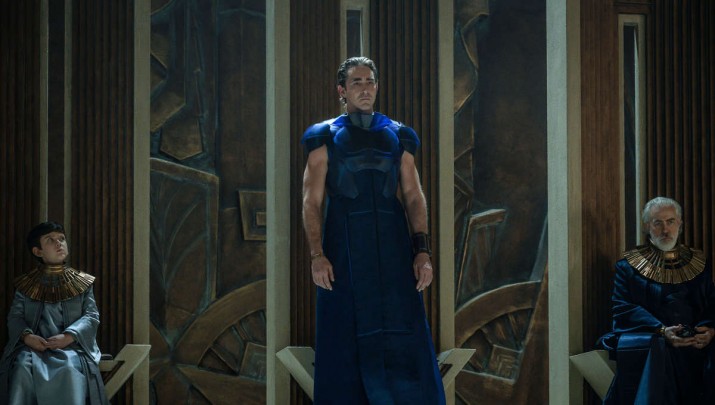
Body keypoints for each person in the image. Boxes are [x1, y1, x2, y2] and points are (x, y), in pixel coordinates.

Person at [301, 56, 446, 404]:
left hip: (393, 245)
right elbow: (311, 201)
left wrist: (422, 251)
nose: (365, 89)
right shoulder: (323, 136)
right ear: (342, 90)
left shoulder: (399, 135)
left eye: (370, 82)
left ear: (377, 86)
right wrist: (317, 255)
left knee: (402, 331)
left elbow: (413, 195)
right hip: (344, 245)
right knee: (343, 333)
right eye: (356, 82)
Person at [598, 197, 715, 404]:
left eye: (670, 221)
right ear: (647, 226)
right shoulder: (627, 268)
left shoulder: (700, 264)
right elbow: (622, 308)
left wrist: (709, 331)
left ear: (680, 224)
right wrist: (661, 331)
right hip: (653, 341)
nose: (665, 230)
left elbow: (711, 304)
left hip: (695, 344)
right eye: (657, 223)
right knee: (660, 353)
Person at [0, 221, 108, 404]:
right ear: (38, 251)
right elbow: (15, 317)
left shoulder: (83, 283)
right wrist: (27, 337)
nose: (59, 243)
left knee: (69, 368)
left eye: (62, 239)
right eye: (50, 240)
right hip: (34, 349)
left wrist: (69, 336)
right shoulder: (25, 285)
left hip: (71, 348)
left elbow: (91, 316)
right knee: (22, 365)